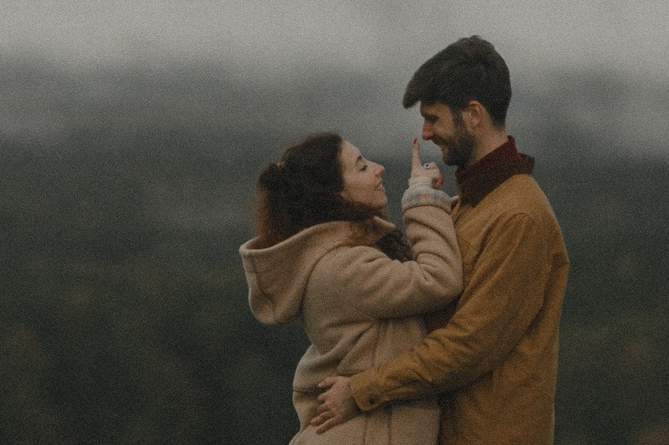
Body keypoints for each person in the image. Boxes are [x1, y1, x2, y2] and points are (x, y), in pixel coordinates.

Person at [310, 37, 568, 445]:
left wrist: (361, 390)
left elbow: (468, 347)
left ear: (474, 114)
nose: (426, 133)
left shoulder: (519, 216)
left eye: (433, 118)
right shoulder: (469, 205)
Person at [243, 129, 465, 445]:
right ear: (334, 195)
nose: (378, 168)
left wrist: (446, 215)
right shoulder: (345, 267)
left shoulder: (335, 259)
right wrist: (421, 197)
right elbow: (438, 279)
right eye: (362, 166)